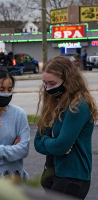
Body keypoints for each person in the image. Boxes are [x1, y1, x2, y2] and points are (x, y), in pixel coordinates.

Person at [34, 56, 98, 199]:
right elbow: (37, 142)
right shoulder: (53, 103)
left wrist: (46, 140)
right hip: (51, 173)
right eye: (45, 83)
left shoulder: (79, 106)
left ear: (68, 80)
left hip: (72, 177)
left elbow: (60, 147)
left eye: (52, 83)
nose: (48, 88)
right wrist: (48, 141)